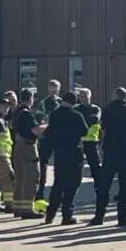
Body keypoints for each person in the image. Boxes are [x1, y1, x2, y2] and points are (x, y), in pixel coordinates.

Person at [90, 87, 126, 226]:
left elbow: (102, 130)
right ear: (125, 97)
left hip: (110, 150)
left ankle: (99, 216)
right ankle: (122, 218)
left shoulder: (108, 109)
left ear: (115, 95)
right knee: (124, 185)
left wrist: (101, 146)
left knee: (104, 185)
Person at [42, 92, 89, 224]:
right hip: (74, 153)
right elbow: (85, 131)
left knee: (58, 184)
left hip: (60, 153)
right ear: (74, 102)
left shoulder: (54, 115)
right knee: (72, 185)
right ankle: (67, 215)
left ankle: (50, 214)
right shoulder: (76, 115)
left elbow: (49, 133)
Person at [12, 89, 47, 219]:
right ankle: (27, 209)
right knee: (31, 178)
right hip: (28, 146)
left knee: (20, 177)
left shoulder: (17, 112)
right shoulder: (26, 114)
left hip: (18, 147)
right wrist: (45, 125)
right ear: (31, 98)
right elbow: (35, 131)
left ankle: (18, 207)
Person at [36, 80, 63, 201]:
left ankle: (59, 191)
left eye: (56, 89)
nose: (54, 92)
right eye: (52, 89)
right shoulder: (43, 103)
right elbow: (39, 117)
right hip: (46, 136)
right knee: (43, 163)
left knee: (60, 163)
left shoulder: (62, 102)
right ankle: (40, 190)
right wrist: (44, 119)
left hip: (59, 137)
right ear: (48, 89)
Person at [75, 88, 102, 189]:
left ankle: (99, 187)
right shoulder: (76, 108)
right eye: (81, 96)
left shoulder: (96, 108)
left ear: (90, 96)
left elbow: (94, 119)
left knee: (95, 166)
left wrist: (82, 121)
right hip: (78, 141)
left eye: (85, 96)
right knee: (77, 167)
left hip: (91, 141)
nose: (83, 99)